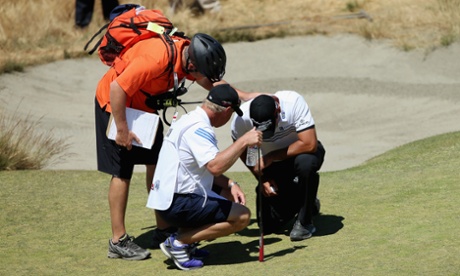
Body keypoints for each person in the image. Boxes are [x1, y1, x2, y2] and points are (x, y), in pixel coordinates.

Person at [95, 28, 256, 261]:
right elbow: (117, 88)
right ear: (192, 66)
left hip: (143, 109)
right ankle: (118, 241)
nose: (203, 78)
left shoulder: (190, 55)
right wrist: (121, 129)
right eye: (201, 73)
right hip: (115, 106)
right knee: (122, 172)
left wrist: (247, 96)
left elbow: (214, 86)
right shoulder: (156, 58)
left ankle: (164, 230)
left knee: (155, 162)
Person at [146, 84, 262, 270]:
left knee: (227, 193)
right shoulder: (200, 129)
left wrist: (231, 183)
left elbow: (203, 168)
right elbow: (215, 166)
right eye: (232, 113)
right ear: (226, 110)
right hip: (177, 203)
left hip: (167, 199)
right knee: (242, 216)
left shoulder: (189, 119)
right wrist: (244, 141)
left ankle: (186, 243)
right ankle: (179, 243)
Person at [231, 91, 326, 241]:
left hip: (300, 155)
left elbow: (309, 144)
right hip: (273, 165)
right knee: (268, 226)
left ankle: (305, 222)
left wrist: (272, 156)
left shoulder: (292, 102)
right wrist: (262, 178)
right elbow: (245, 152)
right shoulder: (241, 119)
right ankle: (307, 200)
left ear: (278, 111)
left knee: (306, 164)